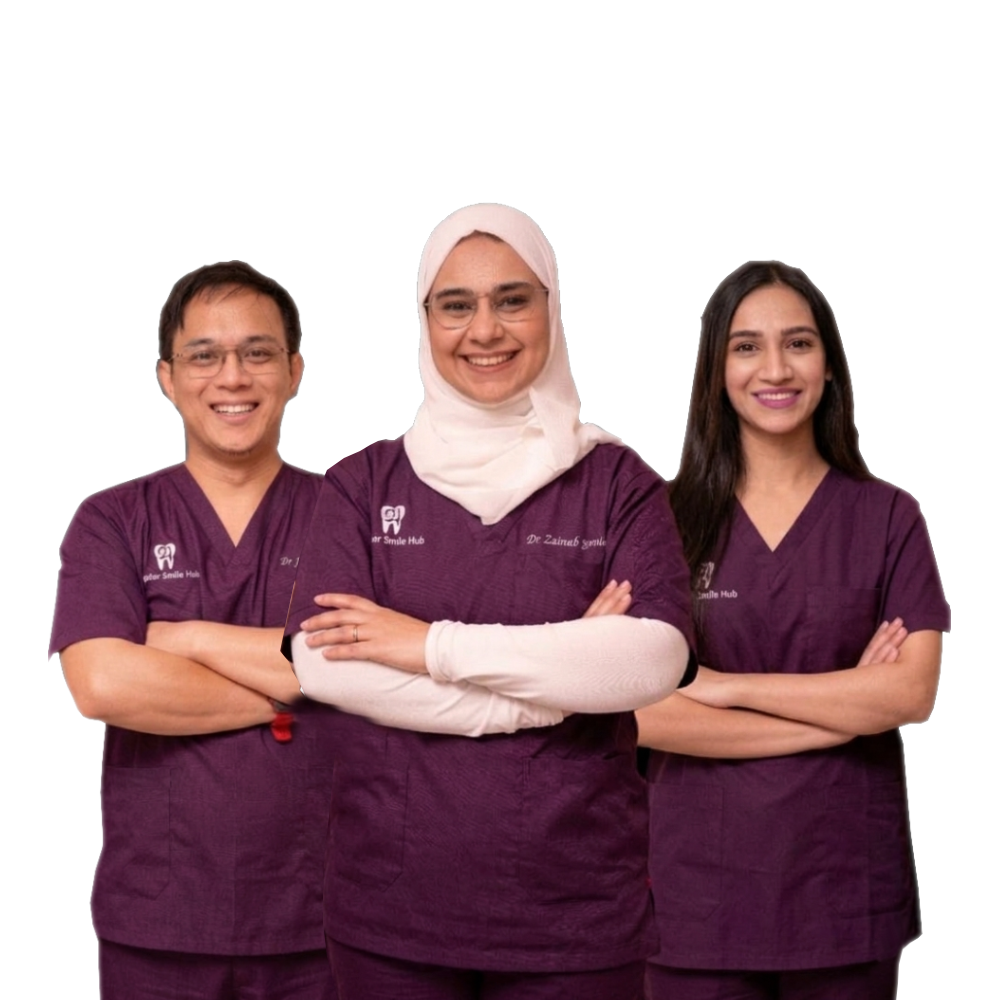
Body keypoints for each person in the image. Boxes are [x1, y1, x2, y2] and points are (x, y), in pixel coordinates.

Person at [284, 203, 696, 1000]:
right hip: (391, 912)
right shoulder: (362, 483)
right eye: (456, 304)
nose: (485, 330)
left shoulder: (619, 482)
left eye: (513, 299)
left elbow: (652, 658)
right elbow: (323, 663)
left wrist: (424, 646)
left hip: (573, 915)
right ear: (424, 321)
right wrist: (551, 691)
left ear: (551, 309)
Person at [636, 262, 950, 1000]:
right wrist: (845, 708)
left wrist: (724, 687)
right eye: (746, 346)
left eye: (799, 343)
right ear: (716, 372)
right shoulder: (663, 521)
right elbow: (640, 713)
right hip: (697, 899)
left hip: (841, 891)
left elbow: (910, 697)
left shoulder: (888, 517)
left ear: (830, 364)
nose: (775, 369)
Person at [51, 263, 340, 999]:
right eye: (204, 355)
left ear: (296, 371)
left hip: (327, 918)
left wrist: (181, 638)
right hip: (161, 917)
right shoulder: (113, 521)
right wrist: (302, 689)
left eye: (257, 352)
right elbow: (104, 686)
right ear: (168, 378)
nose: (231, 377)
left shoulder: (349, 516)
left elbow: (376, 670)